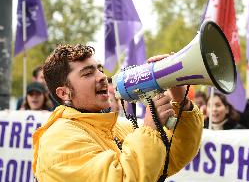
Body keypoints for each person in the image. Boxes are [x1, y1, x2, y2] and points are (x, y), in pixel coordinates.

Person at [32, 44, 204, 182]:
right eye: (87, 74)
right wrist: (151, 129)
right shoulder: (59, 140)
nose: (101, 77)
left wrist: (180, 99)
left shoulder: (117, 126)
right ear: (64, 93)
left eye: (99, 69)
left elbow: (173, 157)